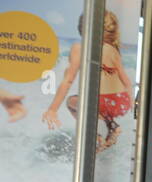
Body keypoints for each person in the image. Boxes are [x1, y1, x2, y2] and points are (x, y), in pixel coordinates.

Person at [42, 11, 133, 153]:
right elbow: (126, 82)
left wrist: (52, 109)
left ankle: (96, 136)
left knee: (71, 102)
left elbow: (69, 80)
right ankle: (111, 128)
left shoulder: (79, 48)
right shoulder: (113, 50)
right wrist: (131, 103)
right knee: (99, 104)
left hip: (99, 103)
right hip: (120, 102)